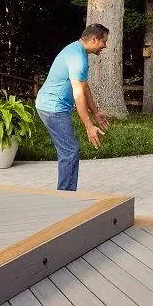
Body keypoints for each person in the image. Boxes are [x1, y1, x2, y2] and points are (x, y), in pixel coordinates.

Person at [35, 24, 111, 191]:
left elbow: (85, 87)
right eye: (104, 42)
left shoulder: (77, 51)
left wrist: (96, 113)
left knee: (68, 151)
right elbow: (78, 95)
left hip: (50, 104)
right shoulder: (78, 57)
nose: (105, 46)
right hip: (52, 107)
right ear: (94, 39)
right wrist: (89, 126)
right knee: (70, 152)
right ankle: (65, 197)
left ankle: (65, 194)